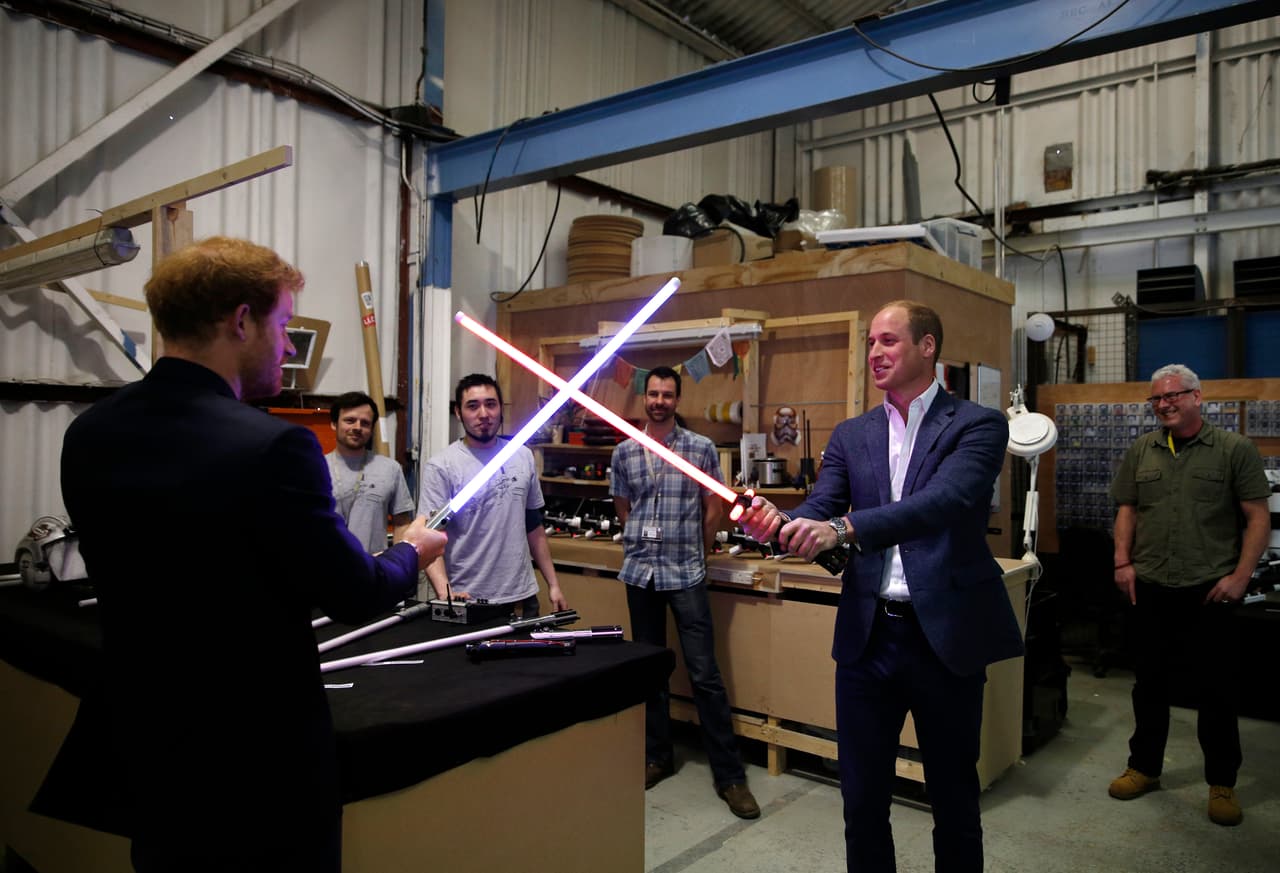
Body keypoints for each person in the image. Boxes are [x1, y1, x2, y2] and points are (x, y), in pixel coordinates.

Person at [60, 236, 447, 872]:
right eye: (285, 324)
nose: (289, 345)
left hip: (145, 741)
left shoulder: (90, 433)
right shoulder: (273, 447)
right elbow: (355, 592)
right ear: (241, 320)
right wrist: (409, 551)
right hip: (255, 760)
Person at [737, 300, 1023, 871]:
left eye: (888, 341)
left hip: (944, 640)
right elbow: (822, 507)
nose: (874, 353)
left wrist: (840, 527)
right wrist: (779, 524)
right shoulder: (852, 434)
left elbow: (945, 502)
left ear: (927, 346)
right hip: (869, 643)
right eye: (870, 342)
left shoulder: (978, 424)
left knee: (953, 799)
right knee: (862, 800)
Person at [1107, 363, 1270, 827]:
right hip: (1152, 585)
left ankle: (1222, 783)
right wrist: (1122, 561)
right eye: (1157, 399)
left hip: (1210, 589)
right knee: (1150, 685)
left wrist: (1242, 576)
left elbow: (1258, 517)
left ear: (1198, 397)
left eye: (1173, 396)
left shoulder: (1234, 450)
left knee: (1217, 689)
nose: (1165, 405)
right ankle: (1144, 768)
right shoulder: (1143, 450)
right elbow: (1127, 508)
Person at [611, 366, 761, 820]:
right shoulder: (624, 451)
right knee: (650, 669)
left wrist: (698, 549)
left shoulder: (700, 448)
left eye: (668, 394)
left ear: (678, 399)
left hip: (687, 572)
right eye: (653, 393)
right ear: (644, 397)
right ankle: (658, 756)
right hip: (641, 573)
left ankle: (730, 777)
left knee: (705, 675)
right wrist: (641, 537)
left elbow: (713, 506)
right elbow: (622, 506)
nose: (659, 400)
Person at [418, 373, 567, 616]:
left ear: (500, 409)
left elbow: (534, 526)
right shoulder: (442, 466)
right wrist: (446, 595)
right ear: (458, 412)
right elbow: (430, 537)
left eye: (490, 404)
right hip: (468, 598)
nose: (483, 414)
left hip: (523, 596)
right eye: (472, 406)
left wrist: (553, 584)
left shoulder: (522, 456)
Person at [327, 391, 415, 553]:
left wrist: (397, 565)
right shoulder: (315, 468)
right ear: (334, 423)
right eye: (350, 420)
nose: (357, 427)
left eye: (365, 423)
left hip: (373, 571)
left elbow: (402, 524)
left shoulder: (390, 469)